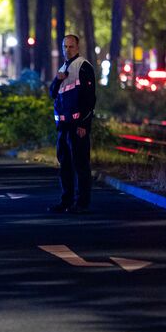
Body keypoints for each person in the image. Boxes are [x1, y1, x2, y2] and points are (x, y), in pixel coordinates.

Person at [48, 34, 96, 214]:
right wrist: (57, 79)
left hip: (77, 125)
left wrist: (84, 123)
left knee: (81, 164)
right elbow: (53, 93)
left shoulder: (83, 66)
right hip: (63, 126)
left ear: (78, 47)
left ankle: (82, 203)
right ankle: (66, 201)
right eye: (65, 47)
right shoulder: (63, 67)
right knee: (65, 165)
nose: (67, 50)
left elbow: (89, 98)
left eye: (71, 47)